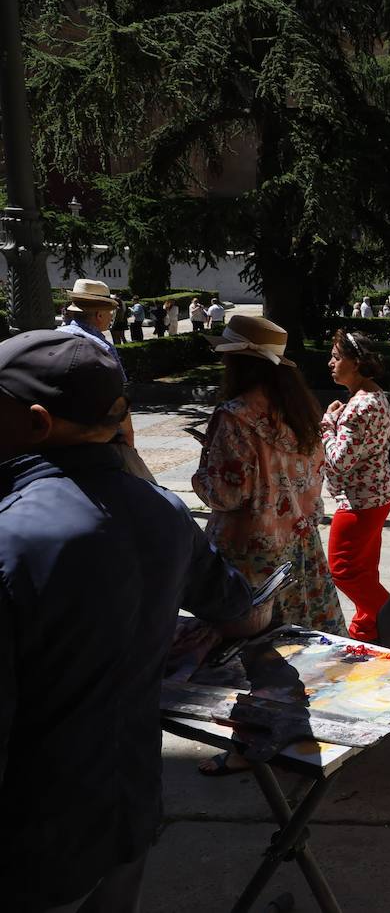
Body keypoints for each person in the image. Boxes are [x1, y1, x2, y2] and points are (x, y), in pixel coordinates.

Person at [0, 330, 262, 912]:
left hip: (33, 836)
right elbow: (234, 606)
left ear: (37, 424)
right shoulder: (163, 509)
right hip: (128, 807)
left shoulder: (11, 535)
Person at [194, 314, 344, 635]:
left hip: (249, 555)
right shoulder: (300, 411)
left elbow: (225, 494)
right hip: (300, 546)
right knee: (298, 648)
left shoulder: (234, 416)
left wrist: (201, 475)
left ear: (239, 362)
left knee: (246, 654)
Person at [322, 330, 390, 641]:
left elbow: (339, 461)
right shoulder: (373, 396)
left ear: (356, 362)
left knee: (343, 570)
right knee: (365, 569)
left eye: (337, 358)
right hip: (376, 494)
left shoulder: (358, 406)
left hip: (359, 500)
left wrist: (326, 424)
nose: (330, 363)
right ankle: (369, 626)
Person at [55, 279, 152, 481]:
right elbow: (118, 397)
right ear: (99, 315)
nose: (111, 318)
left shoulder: (55, 335)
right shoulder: (101, 346)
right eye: (110, 313)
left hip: (59, 436)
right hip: (101, 442)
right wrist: (129, 440)